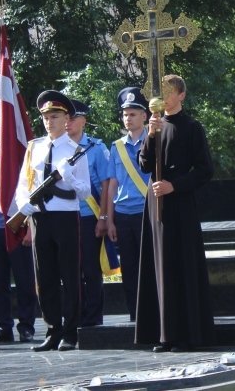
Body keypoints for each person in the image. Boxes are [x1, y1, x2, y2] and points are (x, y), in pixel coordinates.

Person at [135, 74, 214, 352]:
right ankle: (163, 334)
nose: (164, 97)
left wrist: (175, 186)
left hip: (179, 204)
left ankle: (185, 334)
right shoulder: (155, 125)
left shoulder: (192, 127)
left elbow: (205, 170)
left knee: (180, 265)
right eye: (161, 92)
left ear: (181, 95)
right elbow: (144, 164)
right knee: (159, 266)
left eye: (170, 92)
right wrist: (150, 135)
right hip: (156, 203)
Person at [13, 90, 91, 352]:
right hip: (39, 217)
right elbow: (24, 182)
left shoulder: (76, 151)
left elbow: (85, 192)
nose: (49, 122)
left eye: (55, 117)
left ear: (66, 119)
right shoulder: (34, 147)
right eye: (46, 117)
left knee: (70, 276)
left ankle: (71, 332)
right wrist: (22, 203)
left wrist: (69, 177)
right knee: (44, 277)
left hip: (65, 217)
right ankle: (52, 330)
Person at [0, 104, 37, 344]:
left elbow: (32, 195)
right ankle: (4, 327)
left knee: (24, 280)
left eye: (3, 127)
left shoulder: (24, 158)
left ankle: (26, 326)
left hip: (19, 227)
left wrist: (30, 228)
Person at [66, 100, 114, 327]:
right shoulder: (56, 147)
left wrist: (103, 217)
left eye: (73, 117)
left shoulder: (96, 148)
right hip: (65, 216)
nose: (68, 122)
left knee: (90, 268)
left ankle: (93, 317)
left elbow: (106, 184)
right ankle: (75, 315)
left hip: (89, 215)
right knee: (70, 270)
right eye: (66, 117)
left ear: (84, 120)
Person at [105, 87, 151, 321]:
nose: (128, 118)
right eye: (125, 114)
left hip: (147, 211)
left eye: (133, 114)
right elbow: (112, 185)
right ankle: (135, 314)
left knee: (150, 265)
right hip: (123, 214)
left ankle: (153, 312)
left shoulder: (154, 141)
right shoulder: (117, 147)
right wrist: (109, 220)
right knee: (129, 267)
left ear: (144, 116)